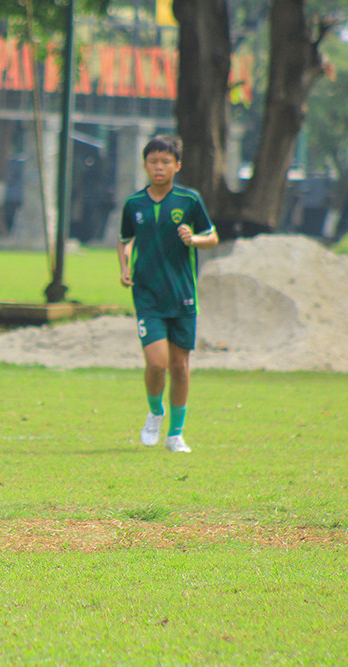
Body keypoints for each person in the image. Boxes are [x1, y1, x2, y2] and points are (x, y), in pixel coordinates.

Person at [117, 135, 219, 453]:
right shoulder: (134, 204)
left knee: (180, 366)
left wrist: (194, 240)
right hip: (147, 294)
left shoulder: (189, 201)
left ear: (177, 165)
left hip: (183, 295)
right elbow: (125, 239)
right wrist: (124, 266)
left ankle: (176, 435)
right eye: (153, 162)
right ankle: (155, 412)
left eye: (165, 162)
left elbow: (212, 236)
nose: (158, 167)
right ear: (145, 165)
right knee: (157, 363)